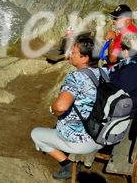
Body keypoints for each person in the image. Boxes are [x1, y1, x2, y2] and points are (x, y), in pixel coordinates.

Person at [31, 35, 102, 180]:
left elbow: (61, 106)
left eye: (73, 52)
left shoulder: (76, 77)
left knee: (36, 134)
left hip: (81, 141)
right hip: (100, 134)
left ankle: (67, 164)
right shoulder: (104, 73)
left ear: (85, 58)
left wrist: (53, 110)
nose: (69, 54)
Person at [107, 33, 137, 120]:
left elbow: (113, 91)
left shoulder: (133, 70)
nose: (120, 49)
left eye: (122, 47)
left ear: (128, 50)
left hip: (127, 112)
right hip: (134, 105)